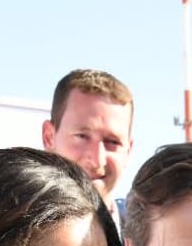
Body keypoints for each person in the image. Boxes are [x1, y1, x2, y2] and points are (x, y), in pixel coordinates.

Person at [42, 69, 136, 206]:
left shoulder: (145, 226)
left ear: (128, 151)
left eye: (112, 142)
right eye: (82, 136)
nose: (97, 161)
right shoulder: (8, 225)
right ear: (49, 137)